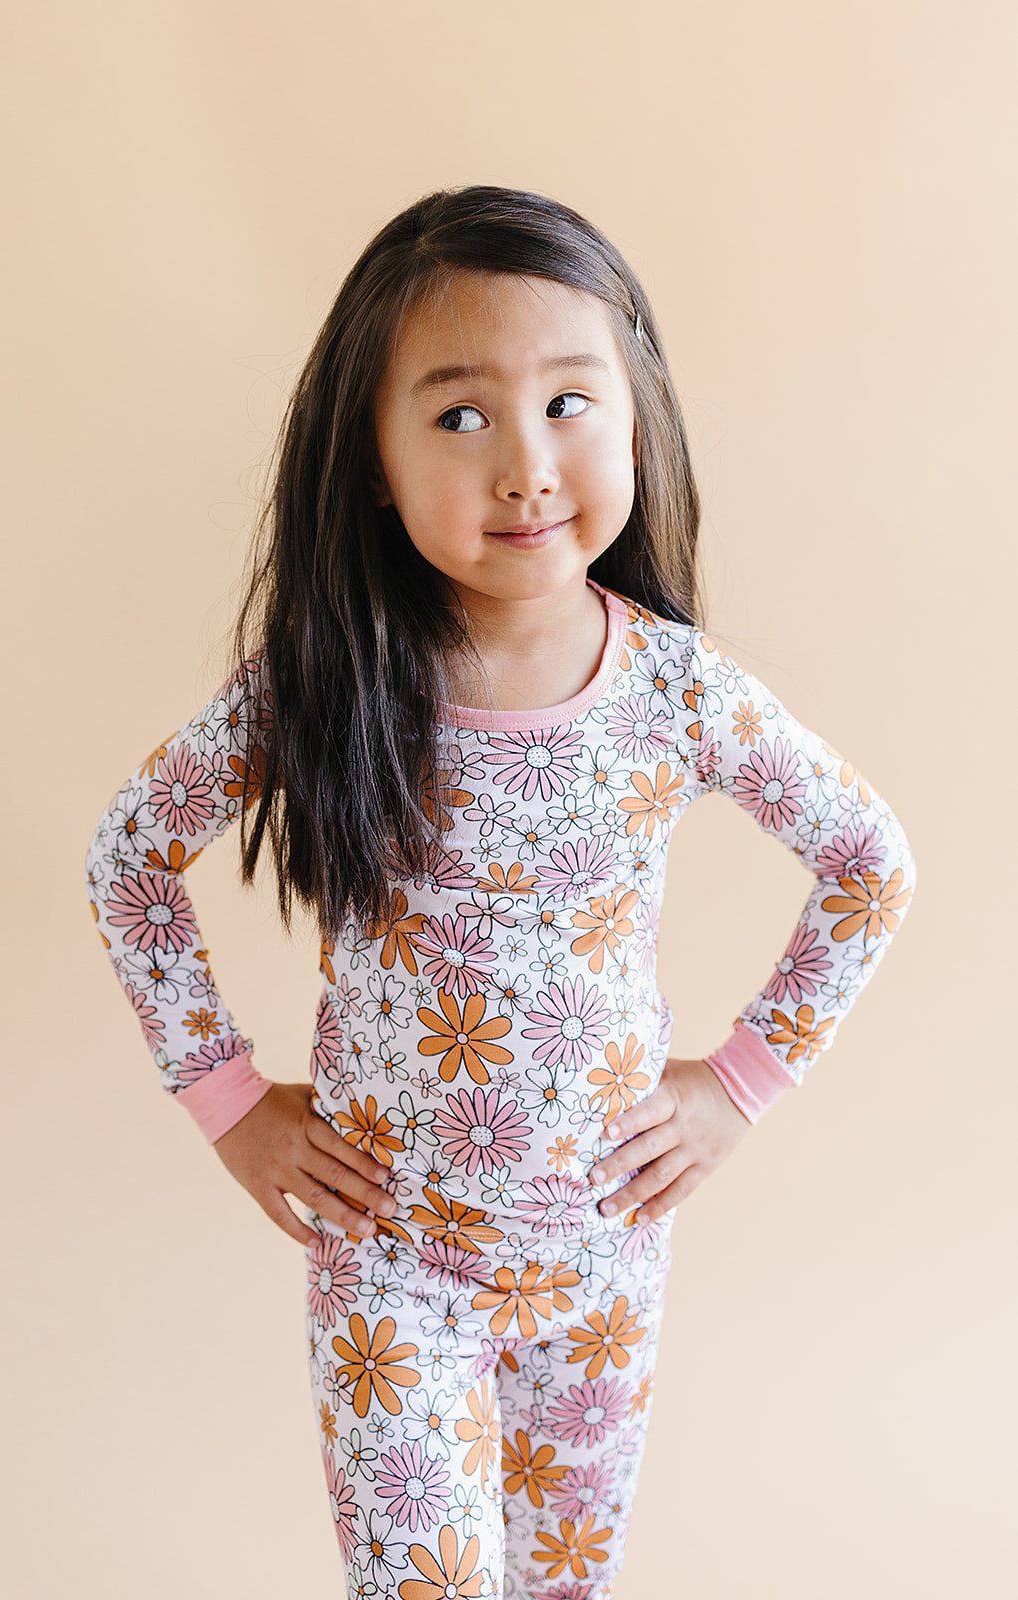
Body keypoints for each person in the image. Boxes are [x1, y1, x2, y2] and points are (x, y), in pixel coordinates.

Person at [85, 184, 916, 1600]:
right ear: (372, 459)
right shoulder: (327, 684)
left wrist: (742, 1083)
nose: (527, 467)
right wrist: (224, 1098)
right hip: (392, 1266)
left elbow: (868, 863)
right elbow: (131, 857)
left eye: (570, 403)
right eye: (462, 416)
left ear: (638, 416)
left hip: (604, 1263)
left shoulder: (677, 692)